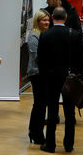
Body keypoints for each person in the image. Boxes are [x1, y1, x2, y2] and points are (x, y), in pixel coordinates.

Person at [37, 7, 83, 153]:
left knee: (52, 111)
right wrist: (77, 74)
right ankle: (68, 145)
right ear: (66, 18)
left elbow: (41, 59)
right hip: (70, 78)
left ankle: (50, 144)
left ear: (51, 17)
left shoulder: (45, 35)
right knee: (70, 113)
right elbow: (81, 58)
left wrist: (45, 75)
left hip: (51, 78)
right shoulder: (75, 34)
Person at [27, 9, 50, 145]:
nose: (47, 22)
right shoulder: (34, 36)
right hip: (37, 74)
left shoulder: (45, 34)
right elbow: (37, 57)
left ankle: (34, 132)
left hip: (43, 74)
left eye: (48, 20)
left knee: (40, 105)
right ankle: (37, 134)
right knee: (40, 105)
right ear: (38, 21)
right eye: (44, 20)